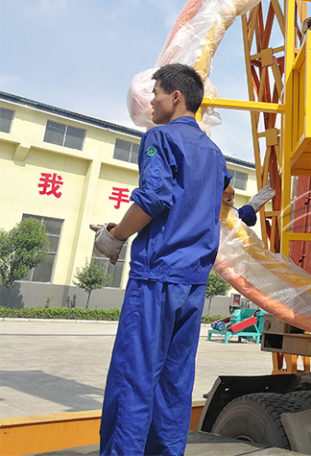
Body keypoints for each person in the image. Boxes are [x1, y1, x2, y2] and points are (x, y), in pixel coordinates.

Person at [91, 63, 231, 456]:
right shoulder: (214, 152)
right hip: (193, 284)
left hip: (156, 278)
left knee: (133, 379)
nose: (150, 102)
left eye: (155, 95)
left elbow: (154, 197)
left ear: (176, 97)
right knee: (174, 383)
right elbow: (226, 198)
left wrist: (114, 235)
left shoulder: (160, 138)